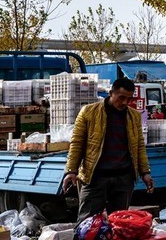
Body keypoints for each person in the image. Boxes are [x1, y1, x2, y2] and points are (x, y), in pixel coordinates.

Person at [64, 77, 154, 220]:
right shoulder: (88, 112)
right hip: (94, 178)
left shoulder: (134, 116)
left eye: (129, 99)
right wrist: (71, 171)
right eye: (121, 97)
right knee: (87, 224)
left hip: (123, 179)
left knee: (119, 224)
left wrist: (145, 172)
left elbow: (139, 146)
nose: (125, 102)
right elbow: (77, 143)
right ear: (111, 93)